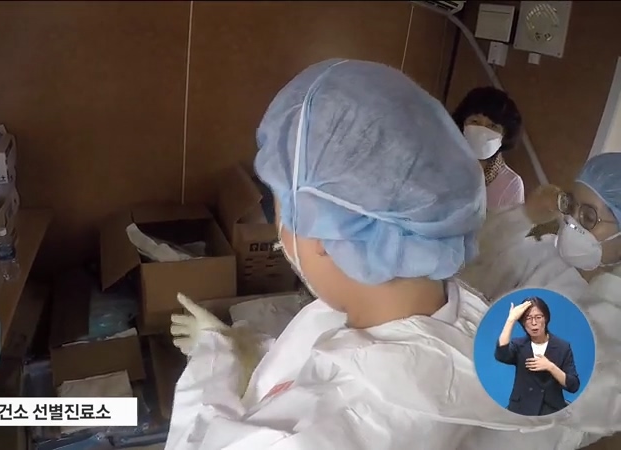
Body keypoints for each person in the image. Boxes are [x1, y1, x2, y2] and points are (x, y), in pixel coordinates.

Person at [164, 59, 554, 450]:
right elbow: (324, 362)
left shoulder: (310, 435)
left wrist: (214, 366)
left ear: (323, 232)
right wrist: (252, 359)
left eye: (281, 198)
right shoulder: (454, 318)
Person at [459, 153, 621, 447]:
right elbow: (473, 264)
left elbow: (603, 408)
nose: (572, 223)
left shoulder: (613, 315)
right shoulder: (546, 256)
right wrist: (524, 216)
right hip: (457, 415)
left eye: (588, 217)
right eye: (570, 205)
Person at [495, 298, 580, 416]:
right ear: (523, 323)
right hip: (521, 410)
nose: (534, 323)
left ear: (546, 318)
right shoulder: (518, 345)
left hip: (551, 411)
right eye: (528, 318)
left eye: (538, 317)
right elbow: (501, 354)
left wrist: (550, 367)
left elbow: (573, 385)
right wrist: (511, 320)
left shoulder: (562, 347)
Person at [451, 87, 525, 211]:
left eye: (492, 126)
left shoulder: (511, 184)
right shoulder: (440, 164)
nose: (482, 132)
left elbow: (509, 223)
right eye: (475, 121)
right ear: (462, 124)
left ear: (505, 134)